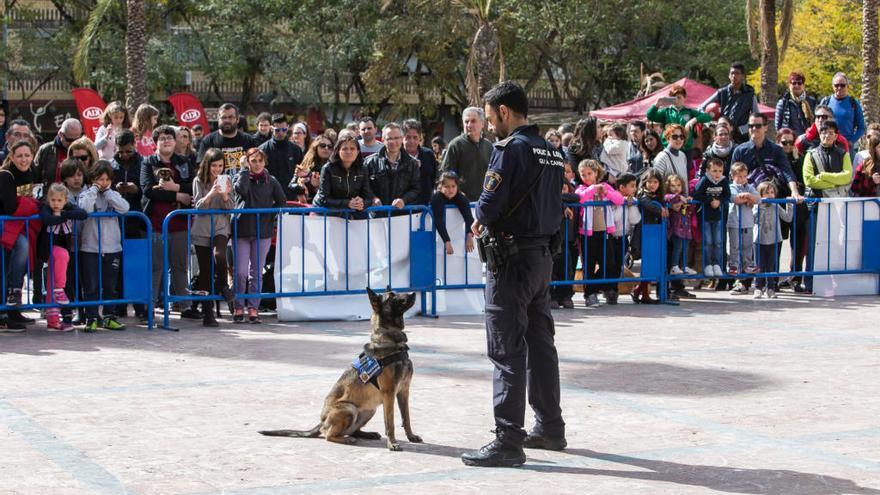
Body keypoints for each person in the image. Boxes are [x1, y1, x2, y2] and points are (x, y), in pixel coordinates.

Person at [461, 81, 565, 468]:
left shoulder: (510, 149)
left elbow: (488, 205)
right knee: (541, 345)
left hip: (510, 261)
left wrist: (479, 221)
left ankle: (508, 439)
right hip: (541, 258)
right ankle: (550, 427)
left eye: (490, 119)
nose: (489, 127)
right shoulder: (552, 151)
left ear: (504, 112)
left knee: (506, 349)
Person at [141, 125, 196, 307]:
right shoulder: (148, 162)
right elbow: (149, 190)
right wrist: (177, 195)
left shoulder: (184, 161)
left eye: (169, 138)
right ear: (155, 143)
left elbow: (193, 187)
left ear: (175, 141)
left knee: (180, 267)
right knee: (156, 267)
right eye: (162, 138)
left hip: (180, 223)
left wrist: (177, 188)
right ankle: (151, 306)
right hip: (156, 223)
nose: (166, 141)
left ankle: (184, 305)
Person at [232, 148, 286, 324]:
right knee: (240, 272)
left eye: (260, 161)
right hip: (242, 230)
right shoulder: (241, 176)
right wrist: (243, 170)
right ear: (247, 162)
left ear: (265, 162)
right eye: (253, 161)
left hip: (262, 231)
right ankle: (238, 305)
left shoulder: (271, 180)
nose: (256, 164)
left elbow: (281, 201)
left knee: (256, 272)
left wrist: (270, 217)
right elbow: (241, 190)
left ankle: (253, 307)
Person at [803, 120, 854, 294]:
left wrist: (824, 176)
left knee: (836, 243)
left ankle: (837, 281)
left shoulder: (843, 154)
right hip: (816, 205)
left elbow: (847, 177)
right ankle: (810, 281)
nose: (827, 135)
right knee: (813, 244)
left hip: (837, 205)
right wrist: (834, 180)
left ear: (836, 135)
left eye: (831, 132)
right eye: (824, 132)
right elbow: (809, 180)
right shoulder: (811, 154)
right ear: (819, 134)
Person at [79, 161, 129, 332]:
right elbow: (84, 209)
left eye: (107, 179)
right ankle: (91, 317)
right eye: (100, 179)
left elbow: (124, 208)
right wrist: (94, 190)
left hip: (112, 247)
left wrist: (108, 192)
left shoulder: (112, 194)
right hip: (90, 248)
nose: (104, 183)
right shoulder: (86, 194)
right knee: (91, 285)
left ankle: (109, 316)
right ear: (93, 179)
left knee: (110, 285)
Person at [192, 148, 235, 326]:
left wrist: (225, 195)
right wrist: (210, 194)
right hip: (202, 229)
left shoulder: (227, 180)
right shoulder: (198, 180)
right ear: (207, 165)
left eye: (220, 166)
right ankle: (208, 312)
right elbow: (198, 207)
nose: (217, 169)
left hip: (220, 227)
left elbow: (231, 206)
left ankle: (223, 284)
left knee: (219, 255)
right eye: (214, 165)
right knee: (205, 272)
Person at [0, 140, 39, 332]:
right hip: (5, 225)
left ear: (32, 156)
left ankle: (13, 309)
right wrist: (31, 205)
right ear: (12, 157)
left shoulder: (31, 173)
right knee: (21, 247)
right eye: (19, 156)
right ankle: (12, 297)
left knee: (18, 263)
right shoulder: (5, 175)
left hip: (19, 226)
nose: (23, 159)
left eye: (27, 155)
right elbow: (11, 207)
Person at [37, 183, 87, 332]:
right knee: (62, 255)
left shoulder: (68, 208)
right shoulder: (45, 208)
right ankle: (60, 289)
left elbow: (82, 214)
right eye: (53, 200)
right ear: (48, 200)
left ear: (65, 200)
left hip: (62, 252)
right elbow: (48, 220)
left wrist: (63, 214)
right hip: (48, 249)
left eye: (59, 201)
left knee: (52, 281)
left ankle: (53, 320)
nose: (56, 204)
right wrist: (60, 216)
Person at [575, 159, 624, 306]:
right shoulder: (581, 188)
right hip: (587, 234)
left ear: (596, 173)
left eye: (589, 173)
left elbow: (619, 199)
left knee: (608, 263)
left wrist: (606, 191)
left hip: (604, 233)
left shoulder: (606, 186)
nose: (586, 177)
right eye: (583, 174)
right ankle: (589, 294)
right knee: (588, 265)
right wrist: (593, 189)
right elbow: (581, 199)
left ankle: (599, 287)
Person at [731, 113, 801, 203]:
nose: (754, 129)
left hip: (773, 200)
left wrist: (794, 192)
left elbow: (787, 172)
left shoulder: (777, 150)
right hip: (747, 202)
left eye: (758, 126)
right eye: (751, 126)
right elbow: (732, 176)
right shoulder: (739, 150)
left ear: (766, 127)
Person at [312, 133, 375, 218]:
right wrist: (347, 203)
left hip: (350, 213)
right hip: (326, 213)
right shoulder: (327, 168)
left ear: (358, 152)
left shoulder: (363, 169)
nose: (348, 151)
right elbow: (324, 199)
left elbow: (368, 197)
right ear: (338, 151)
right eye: (344, 149)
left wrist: (362, 203)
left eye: (352, 148)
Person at [365, 122, 421, 212]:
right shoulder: (369, 162)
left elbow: (416, 189)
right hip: (377, 215)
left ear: (402, 139)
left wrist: (404, 200)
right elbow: (364, 186)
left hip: (402, 216)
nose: (393, 142)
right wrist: (373, 198)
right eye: (389, 138)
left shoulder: (412, 163)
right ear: (383, 140)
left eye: (396, 138)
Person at [699, 62, 760, 143]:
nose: (734, 76)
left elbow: (756, 119)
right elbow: (700, 108)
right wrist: (710, 123)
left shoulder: (750, 95)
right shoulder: (721, 92)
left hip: (740, 139)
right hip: (721, 137)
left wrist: (742, 129)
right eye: (732, 73)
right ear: (729, 76)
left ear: (742, 76)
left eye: (737, 73)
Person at [631, 167, 666, 304]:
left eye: (655, 182)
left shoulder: (659, 197)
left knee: (652, 264)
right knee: (647, 265)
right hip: (644, 233)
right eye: (650, 182)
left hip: (655, 233)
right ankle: (643, 293)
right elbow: (645, 203)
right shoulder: (642, 195)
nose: (652, 185)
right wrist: (660, 209)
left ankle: (639, 290)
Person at [441, 107, 493, 199]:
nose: (469, 125)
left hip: (486, 201)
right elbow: (446, 174)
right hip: (461, 203)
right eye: (466, 121)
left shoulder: (489, 146)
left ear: (482, 123)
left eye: (473, 121)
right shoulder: (455, 145)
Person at [646, 84, 712, 156]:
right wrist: (657, 104)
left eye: (679, 97)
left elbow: (708, 117)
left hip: (686, 149)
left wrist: (694, 120)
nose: (676, 100)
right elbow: (650, 116)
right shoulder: (666, 112)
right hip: (669, 148)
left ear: (684, 98)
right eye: (674, 98)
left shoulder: (689, 112)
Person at [753, 181, 793, 299]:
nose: (770, 195)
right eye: (766, 193)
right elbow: (753, 217)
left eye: (772, 192)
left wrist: (789, 204)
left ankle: (770, 287)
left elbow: (787, 218)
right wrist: (760, 205)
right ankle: (758, 287)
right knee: (758, 265)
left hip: (774, 239)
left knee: (771, 265)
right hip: (759, 239)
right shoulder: (757, 205)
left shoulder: (776, 205)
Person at [693, 157, 731, 277]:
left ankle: (717, 264)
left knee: (718, 242)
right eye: (714, 171)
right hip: (705, 217)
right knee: (708, 242)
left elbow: (727, 195)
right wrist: (710, 200)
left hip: (718, 216)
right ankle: (708, 265)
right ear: (708, 171)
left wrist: (719, 201)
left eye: (720, 171)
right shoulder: (704, 180)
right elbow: (696, 194)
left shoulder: (724, 181)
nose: (717, 174)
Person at [727, 162, 760, 290]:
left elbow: (757, 198)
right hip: (735, 221)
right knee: (735, 246)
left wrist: (748, 196)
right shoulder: (732, 187)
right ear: (733, 176)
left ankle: (748, 264)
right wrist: (748, 199)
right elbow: (735, 199)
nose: (742, 179)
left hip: (747, 222)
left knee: (747, 245)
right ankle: (733, 265)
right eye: (739, 176)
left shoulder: (749, 186)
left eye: (744, 176)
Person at [196, 103, 256, 172]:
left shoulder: (249, 140)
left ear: (237, 119)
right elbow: (201, 168)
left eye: (231, 117)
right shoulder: (208, 141)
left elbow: (257, 166)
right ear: (218, 119)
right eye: (223, 117)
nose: (227, 120)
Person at [818, 73, 866, 157]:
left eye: (842, 85)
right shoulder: (825, 101)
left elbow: (862, 127)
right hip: (827, 144)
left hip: (846, 146)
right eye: (836, 85)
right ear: (833, 86)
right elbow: (817, 123)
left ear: (847, 86)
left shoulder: (854, 103)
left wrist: (851, 141)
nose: (839, 88)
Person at [259, 113, 303, 201]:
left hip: (291, 197)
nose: (281, 133)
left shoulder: (296, 150)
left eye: (284, 129)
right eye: (277, 130)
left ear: (288, 127)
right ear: (271, 129)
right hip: (269, 198)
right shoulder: (262, 150)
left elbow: (302, 174)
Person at [430, 171, 474, 256]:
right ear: (441, 186)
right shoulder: (437, 198)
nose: (450, 190)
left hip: (458, 241)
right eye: (447, 186)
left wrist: (469, 235)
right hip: (438, 241)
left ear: (457, 186)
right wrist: (447, 241)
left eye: (453, 186)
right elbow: (439, 221)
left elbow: (469, 217)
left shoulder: (461, 197)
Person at [34, 118, 83, 189]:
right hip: (50, 197)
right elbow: (35, 178)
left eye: (77, 140)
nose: (73, 143)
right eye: (69, 140)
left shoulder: (85, 150)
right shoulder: (45, 150)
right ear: (60, 134)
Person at [664, 174, 696, 276]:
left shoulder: (684, 198)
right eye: (673, 186)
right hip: (675, 228)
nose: (676, 188)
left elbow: (690, 210)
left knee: (685, 248)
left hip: (686, 228)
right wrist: (679, 197)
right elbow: (667, 197)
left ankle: (684, 265)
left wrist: (690, 202)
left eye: (678, 185)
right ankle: (674, 266)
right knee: (677, 247)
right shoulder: (669, 196)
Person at [403, 119, 439, 205]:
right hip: (403, 209)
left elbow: (434, 178)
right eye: (408, 137)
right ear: (402, 138)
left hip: (425, 207)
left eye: (415, 137)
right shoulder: (396, 156)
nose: (411, 141)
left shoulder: (428, 154)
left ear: (420, 138)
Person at [775, 72, 816, 137]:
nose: (797, 85)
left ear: (803, 85)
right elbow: (778, 126)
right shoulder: (783, 103)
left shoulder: (811, 101)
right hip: (790, 142)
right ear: (789, 85)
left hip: (808, 140)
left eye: (799, 83)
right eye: (794, 83)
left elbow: (815, 122)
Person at [292, 134, 332, 201]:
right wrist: (309, 184)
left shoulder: (335, 166)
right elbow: (292, 185)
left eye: (330, 146)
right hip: (308, 206)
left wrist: (319, 185)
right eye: (323, 146)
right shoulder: (307, 165)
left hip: (329, 205)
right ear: (316, 147)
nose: (326, 148)